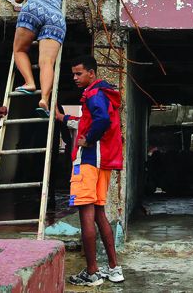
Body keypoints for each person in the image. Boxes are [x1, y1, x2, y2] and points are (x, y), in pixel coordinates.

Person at [61, 55, 124, 287]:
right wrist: (65, 118)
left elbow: (101, 121)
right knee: (99, 214)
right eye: (73, 74)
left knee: (85, 215)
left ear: (92, 73)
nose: (75, 78)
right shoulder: (105, 94)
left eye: (79, 73)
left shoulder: (94, 94)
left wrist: (86, 140)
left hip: (88, 160)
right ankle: (114, 268)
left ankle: (92, 272)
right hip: (103, 161)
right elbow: (92, 119)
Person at [10, 0, 70, 114]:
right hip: (55, 17)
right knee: (47, 62)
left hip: (33, 9)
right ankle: (44, 99)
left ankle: (29, 83)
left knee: (20, 50)